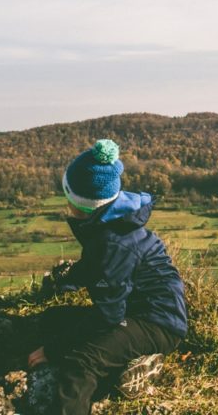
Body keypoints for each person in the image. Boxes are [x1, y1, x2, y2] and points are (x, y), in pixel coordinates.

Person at [28, 139, 187, 414]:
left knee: (81, 363)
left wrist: (53, 350)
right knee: (53, 319)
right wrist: (67, 282)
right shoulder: (110, 218)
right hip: (135, 309)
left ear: (82, 203)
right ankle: (129, 370)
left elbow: (108, 316)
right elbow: (97, 267)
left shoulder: (115, 243)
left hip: (157, 322)